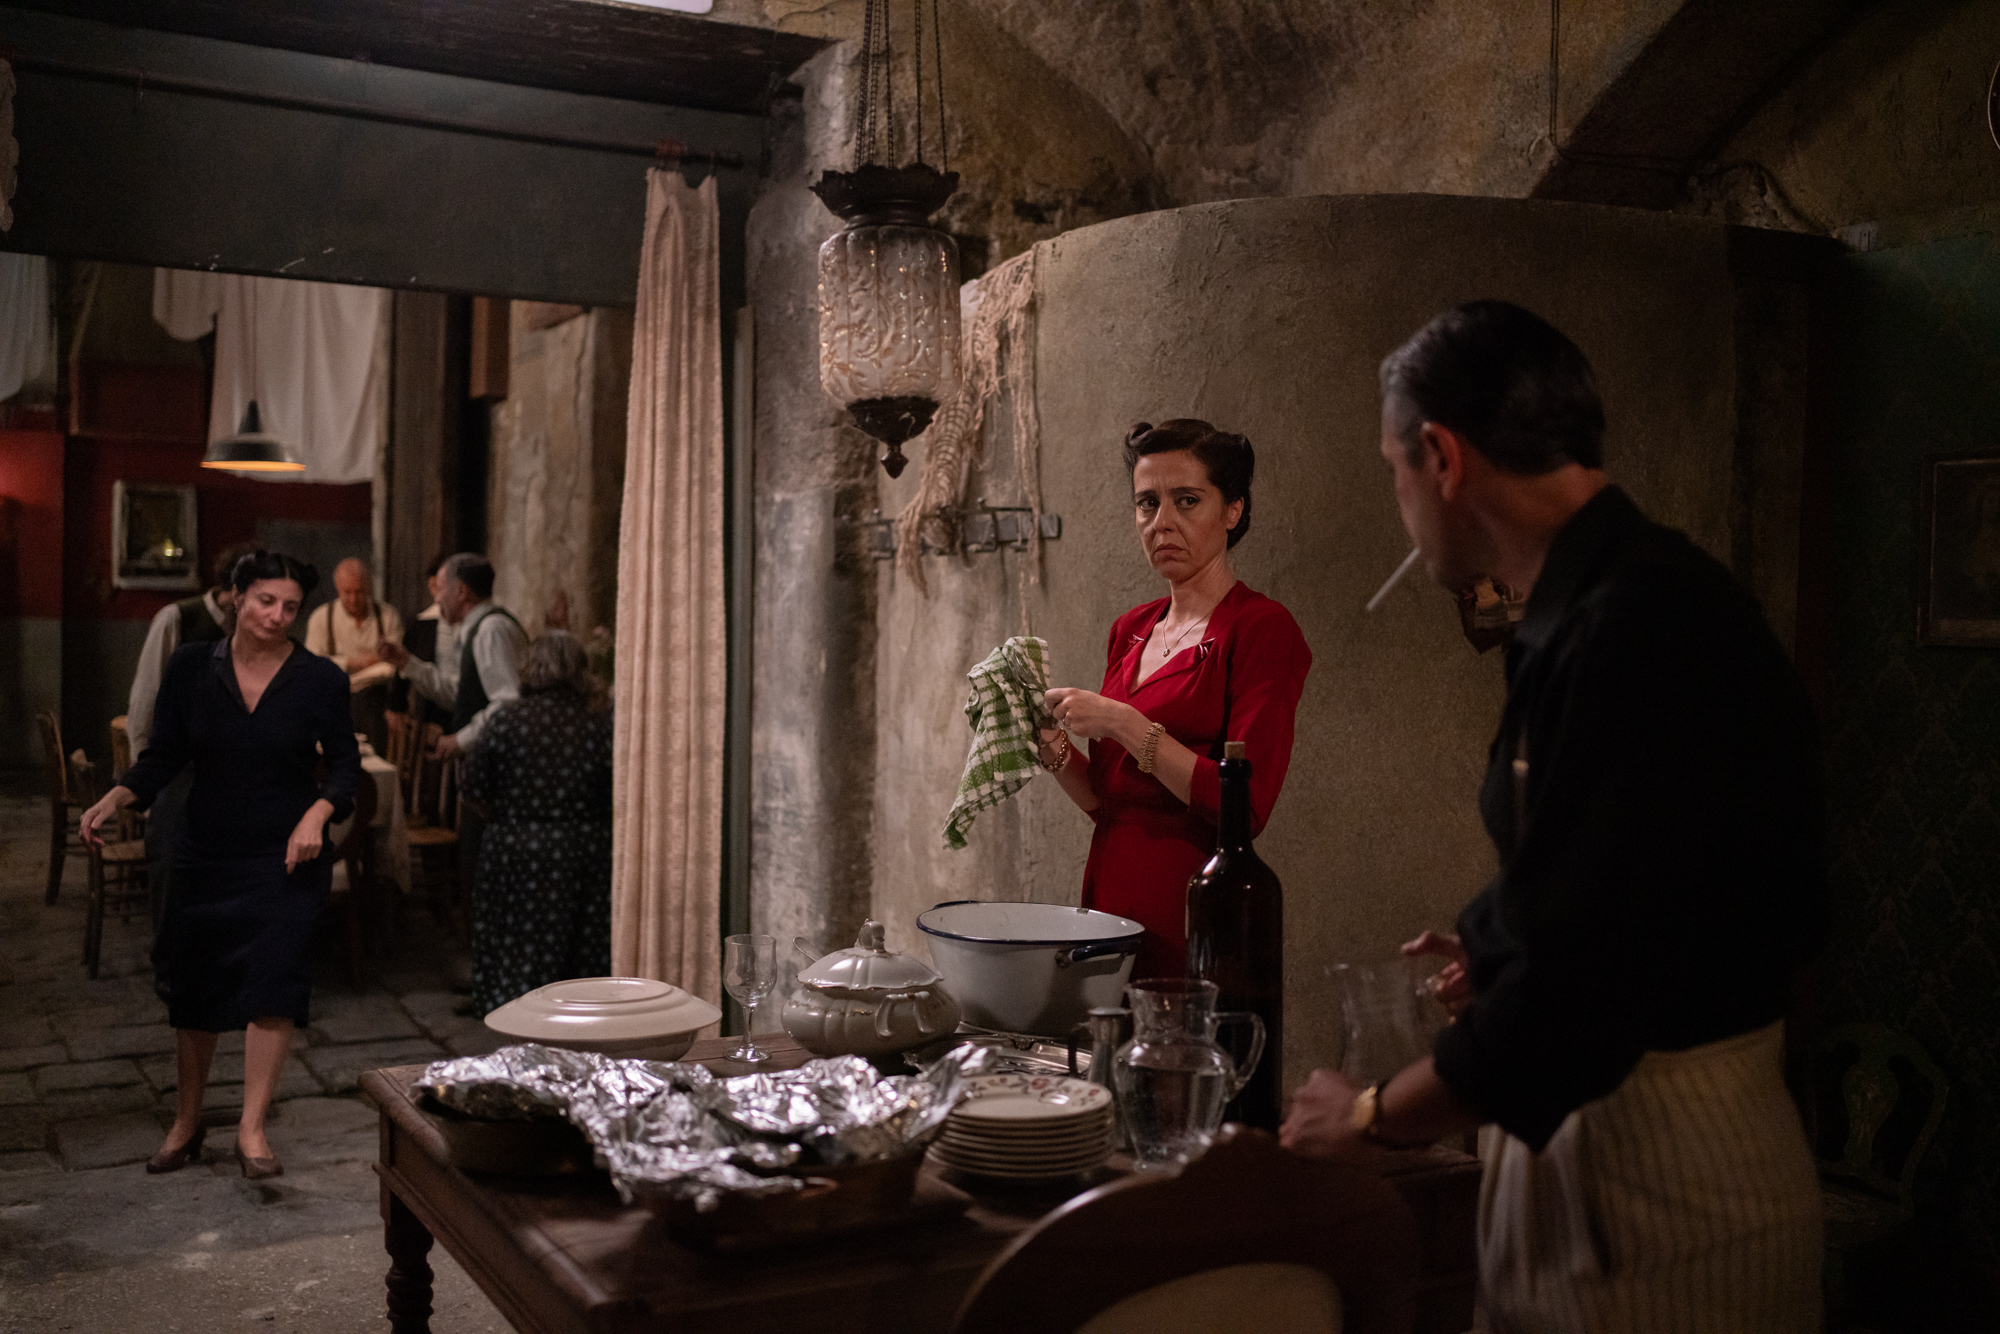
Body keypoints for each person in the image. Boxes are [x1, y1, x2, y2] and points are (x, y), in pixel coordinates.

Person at [1278, 301, 1825, 1329]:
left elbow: (1584, 993)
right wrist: (1505, 941)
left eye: (1393, 472)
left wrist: (1370, 1114)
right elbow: (1629, 881)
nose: (1400, 505)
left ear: (1443, 458)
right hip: (1603, 1175)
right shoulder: (1596, 605)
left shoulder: (1644, 625)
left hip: (1670, 1197)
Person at [80, 550, 359, 1181]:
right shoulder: (190, 666)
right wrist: (117, 795)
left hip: (285, 856)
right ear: (236, 596)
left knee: (274, 984)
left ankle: (252, 1129)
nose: (278, 616)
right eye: (266, 600)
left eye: (291, 606)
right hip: (205, 850)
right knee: (195, 989)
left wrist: (317, 815)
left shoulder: (319, 679)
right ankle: (186, 1121)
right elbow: (164, 754)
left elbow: (345, 767)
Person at [1040, 420, 1312, 979]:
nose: (1161, 521)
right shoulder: (1130, 629)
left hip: (1193, 909)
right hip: (1109, 902)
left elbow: (1245, 806)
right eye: (1147, 503)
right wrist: (1052, 747)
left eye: (1187, 501)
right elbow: (1109, 801)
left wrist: (1122, 721)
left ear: (1232, 510)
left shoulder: (1260, 627)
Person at [459, 631, 613, 1015]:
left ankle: (510, 1009)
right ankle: (579, 1011)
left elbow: (472, 786)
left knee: (515, 941)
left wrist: (507, 820)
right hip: (584, 851)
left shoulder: (507, 721)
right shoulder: (599, 723)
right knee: (580, 945)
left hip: (516, 848)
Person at [378, 552, 525, 761]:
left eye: (440, 589)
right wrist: (406, 663)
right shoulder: (477, 629)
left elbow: (509, 704)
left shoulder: (491, 630)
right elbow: (459, 694)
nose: (437, 599)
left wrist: (462, 740)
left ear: (461, 591)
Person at [303, 557, 404, 752]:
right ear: (337, 589)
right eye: (347, 592)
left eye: (359, 591)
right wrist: (353, 663)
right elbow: (313, 664)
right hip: (335, 700)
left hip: (376, 703)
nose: (353, 599)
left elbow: (398, 660)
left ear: (369, 588)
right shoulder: (322, 618)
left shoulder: (387, 616)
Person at [394, 552, 456, 729]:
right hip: (429, 715)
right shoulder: (422, 625)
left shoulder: (475, 626)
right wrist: (396, 705)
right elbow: (405, 670)